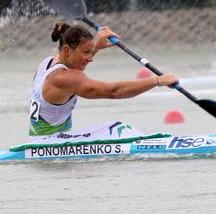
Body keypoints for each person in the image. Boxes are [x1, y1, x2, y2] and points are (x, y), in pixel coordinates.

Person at [28, 22, 179, 142]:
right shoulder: (65, 78)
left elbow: (73, 64)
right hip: (52, 144)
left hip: (40, 141)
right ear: (67, 50)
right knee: (118, 129)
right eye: (86, 52)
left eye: (91, 51)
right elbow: (113, 92)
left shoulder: (47, 63)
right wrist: (157, 80)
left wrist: (96, 47)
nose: (91, 58)